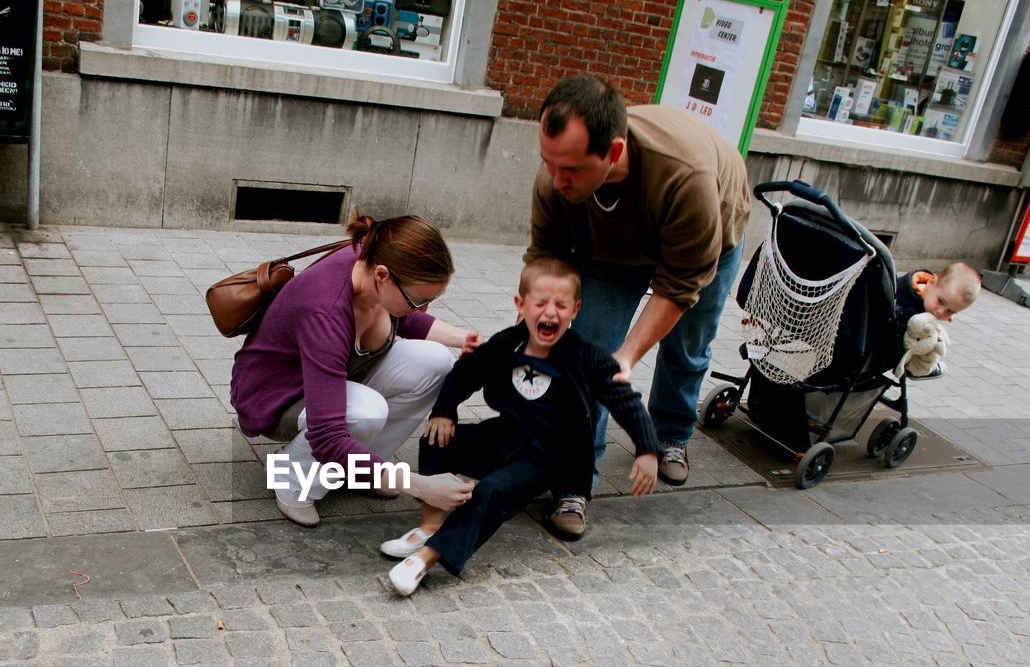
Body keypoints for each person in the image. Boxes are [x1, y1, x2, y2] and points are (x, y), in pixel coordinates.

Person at [527, 74, 751, 538]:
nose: (556, 179)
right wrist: (536, 327)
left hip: (708, 234)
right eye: (549, 163)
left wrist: (628, 357)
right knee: (589, 355)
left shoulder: (685, 176)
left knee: (688, 344)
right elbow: (545, 263)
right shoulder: (557, 181)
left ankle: (672, 434)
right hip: (609, 249)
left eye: (569, 169)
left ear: (612, 152)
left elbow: (679, 286)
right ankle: (575, 482)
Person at [379, 257, 661, 596]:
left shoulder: (584, 357)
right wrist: (445, 410)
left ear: (576, 310)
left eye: (561, 305)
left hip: (547, 456)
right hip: (504, 436)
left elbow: (624, 399)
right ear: (521, 305)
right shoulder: (507, 342)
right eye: (540, 303)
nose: (550, 312)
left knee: (491, 491)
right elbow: (466, 373)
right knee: (437, 439)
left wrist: (647, 449)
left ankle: (428, 556)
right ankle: (430, 525)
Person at [230, 213, 479, 527]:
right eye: (418, 299)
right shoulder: (325, 311)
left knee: (438, 363)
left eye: (431, 299)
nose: (422, 309)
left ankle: (356, 472)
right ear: (383, 275)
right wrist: (418, 485)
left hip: (335, 372)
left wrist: (469, 340)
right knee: (365, 411)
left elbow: (405, 315)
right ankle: (292, 481)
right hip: (277, 395)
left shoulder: (373, 257)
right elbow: (327, 435)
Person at [893, 261, 980, 377]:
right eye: (941, 301)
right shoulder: (904, 302)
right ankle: (921, 364)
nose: (940, 312)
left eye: (950, 311)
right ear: (932, 282)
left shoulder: (921, 289)